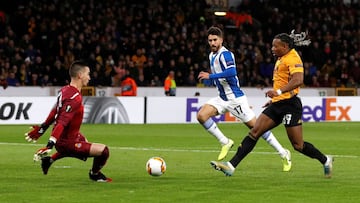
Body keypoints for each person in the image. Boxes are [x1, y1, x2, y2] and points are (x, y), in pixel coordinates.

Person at [210, 32, 334, 178]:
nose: (272, 49)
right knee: (255, 132)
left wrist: (279, 91)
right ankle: (231, 166)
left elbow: (298, 79)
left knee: (298, 145)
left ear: (285, 46)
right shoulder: (282, 58)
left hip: (290, 105)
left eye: (275, 46)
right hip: (277, 104)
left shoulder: (293, 58)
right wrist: (275, 97)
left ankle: (326, 160)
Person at [198, 26, 291, 172]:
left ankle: (283, 153)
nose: (212, 43)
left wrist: (211, 76)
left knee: (257, 129)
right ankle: (225, 141)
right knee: (201, 115)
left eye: (215, 40)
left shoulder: (226, 55)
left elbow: (231, 72)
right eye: (210, 40)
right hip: (222, 99)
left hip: (235, 99)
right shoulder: (211, 56)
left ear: (221, 40)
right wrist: (212, 80)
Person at [25, 60, 112, 182]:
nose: (90, 77)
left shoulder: (65, 90)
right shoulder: (74, 98)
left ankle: (49, 160)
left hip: (67, 136)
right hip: (65, 141)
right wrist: (50, 144)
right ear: (80, 75)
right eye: (88, 74)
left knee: (83, 141)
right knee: (104, 151)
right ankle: (95, 174)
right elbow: (62, 122)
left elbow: (55, 111)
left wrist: (42, 128)